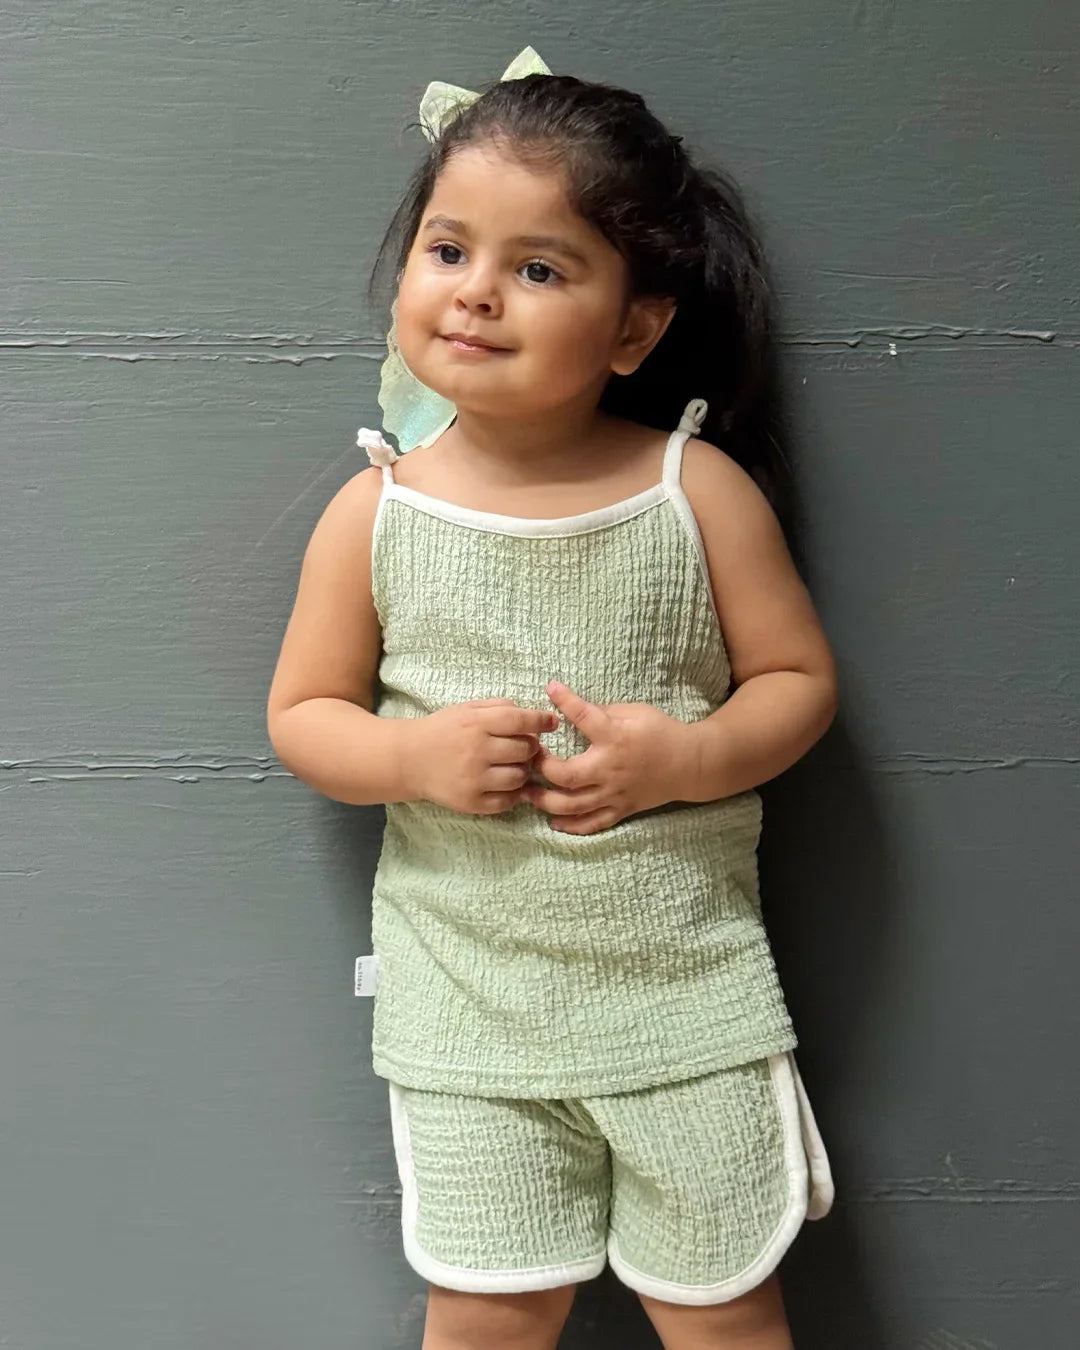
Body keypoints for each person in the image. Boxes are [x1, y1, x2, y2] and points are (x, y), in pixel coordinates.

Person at [267, 50, 838, 1350]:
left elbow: (799, 685)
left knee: (724, 1307)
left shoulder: (693, 492)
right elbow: (304, 712)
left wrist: (686, 758)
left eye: (539, 268)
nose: (475, 292)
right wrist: (412, 758)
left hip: (680, 998)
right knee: (486, 1310)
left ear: (635, 326)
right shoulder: (380, 510)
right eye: (448, 248)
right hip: (469, 1005)